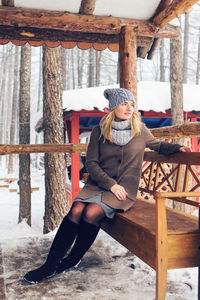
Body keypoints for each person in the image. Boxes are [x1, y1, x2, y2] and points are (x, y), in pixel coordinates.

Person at [24, 88, 191, 284]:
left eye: (131, 104)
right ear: (113, 107)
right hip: (99, 184)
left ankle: (72, 259)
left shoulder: (140, 129)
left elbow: (158, 146)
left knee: (91, 212)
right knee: (76, 209)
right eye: (124, 104)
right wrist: (110, 185)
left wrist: (177, 148)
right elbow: (92, 163)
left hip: (124, 190)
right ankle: (50, 265)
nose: (129, 108)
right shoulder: (99, 131)